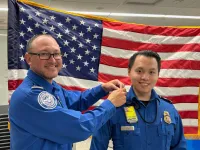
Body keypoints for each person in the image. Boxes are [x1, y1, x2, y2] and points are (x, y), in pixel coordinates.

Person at [9, 34, 127, 150]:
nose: (52, 60)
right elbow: (79, 128)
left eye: (56, 53)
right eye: (44, 54)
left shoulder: (51, 87)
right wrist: (110, 104)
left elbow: (76, 100)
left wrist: (102, 89)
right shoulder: (30, 96)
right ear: (29, 58)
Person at [90, 50, 187, 150]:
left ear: (158, 74)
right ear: (129, 71)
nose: (145, 77)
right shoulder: (114, 107)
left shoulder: (169, 110)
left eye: (151, 72)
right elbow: (97, 147)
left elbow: (179, 147)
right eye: (139, 71)